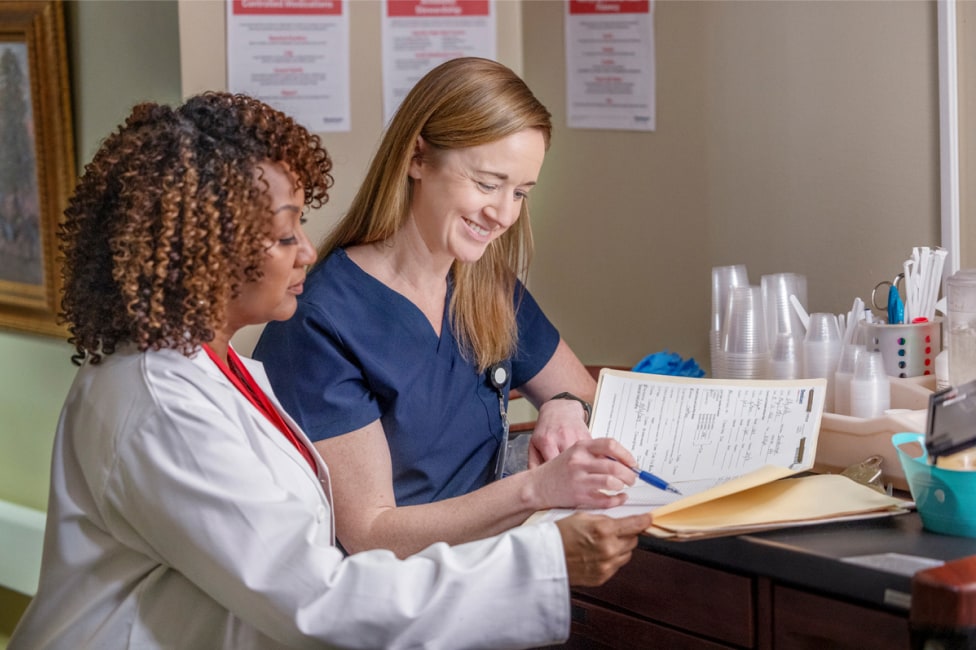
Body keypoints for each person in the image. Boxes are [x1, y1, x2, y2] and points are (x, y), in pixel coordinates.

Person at [8, 92, 653, 650]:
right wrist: (544, 559)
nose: (309, 252)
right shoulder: (160, 408)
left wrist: (560, 414)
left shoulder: (215, 368)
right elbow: (319, 600)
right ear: (208, 252)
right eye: (287, 235)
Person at [253, 56, 641, 559]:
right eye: (486, 183)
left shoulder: (482, 285)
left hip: (492, 569)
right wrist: (536, 490)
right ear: (418, 158)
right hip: (400, 602)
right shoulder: (323, 320)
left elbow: (588, 395)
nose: (503, 214)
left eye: (520, 192)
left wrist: (565, 403)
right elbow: (371, 533)